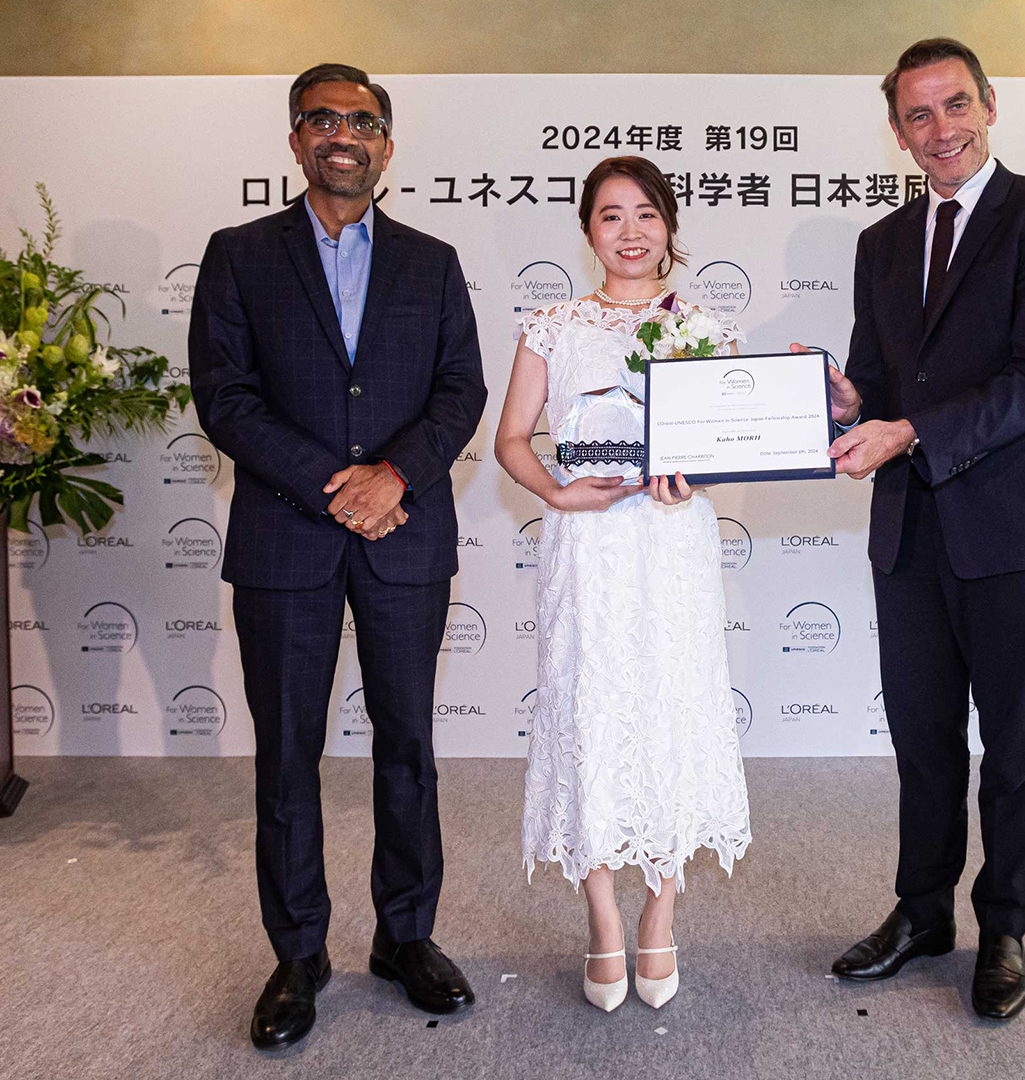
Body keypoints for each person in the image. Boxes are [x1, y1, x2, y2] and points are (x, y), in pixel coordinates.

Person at [188, 62, 487, 1049]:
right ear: (296, 139)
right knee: (288, 755)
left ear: (387, 144)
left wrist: (392, 477)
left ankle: (406, 938)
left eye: (361, 120)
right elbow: (225, 398)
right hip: (287, 538)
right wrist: (336, 483)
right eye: (323, 118)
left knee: (408, 748)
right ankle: (299, 952)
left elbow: (460, 390)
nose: (342, 133)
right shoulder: (239, 255)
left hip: (406, 535)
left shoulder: (432, 262)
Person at [809, 38, 1025, 1021]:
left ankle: (1004, 925)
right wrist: (851, 401)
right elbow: (882, 388)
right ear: (898, 130)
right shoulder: (880, 244)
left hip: (1015, 530)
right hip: (913, 533)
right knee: (925, 743)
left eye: (956, 106)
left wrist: (907, 428)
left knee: (1014, 745)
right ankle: (921, 911)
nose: (942, 131)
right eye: (919, 115)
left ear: (991, 104)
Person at [494, 156, 752, 1012]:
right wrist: (557, 493)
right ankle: (603, 913)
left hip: (672, 542)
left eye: (646, 214)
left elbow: (727, 445)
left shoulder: (706, 327)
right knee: (591, 710)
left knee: (669, 710)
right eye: (611, 216)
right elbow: (512, 441)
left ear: (670, 227)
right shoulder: (551, 326)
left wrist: (698, 478)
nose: (631, 231)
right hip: (589, 545)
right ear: (588, 230)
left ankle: (660, 911)